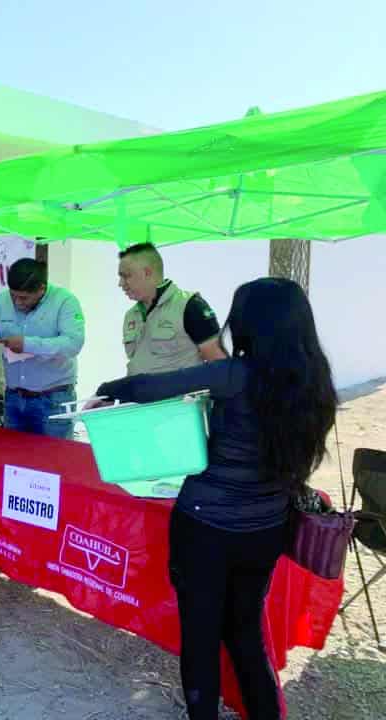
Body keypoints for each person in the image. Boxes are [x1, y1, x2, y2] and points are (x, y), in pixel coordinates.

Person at [95, 278, 337, 720]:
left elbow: (151, 387)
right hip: (266, 528)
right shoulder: (316, 382)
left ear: (249, 324)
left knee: (201, 634)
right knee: (245, 632)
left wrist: (108, 387)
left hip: (206, 526)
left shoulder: (234, 375)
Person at [0, 258, 84, 438]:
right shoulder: (2, 300)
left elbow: (73, 343)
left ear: (41, 289)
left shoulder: (65, 301)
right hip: (14, 398)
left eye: (24, 298)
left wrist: (28, 344)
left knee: (54, 455)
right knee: (13, 454)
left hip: (53, 399)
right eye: (13, 295)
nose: (17, 302)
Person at [118, 243, 226, 375]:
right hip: (135, 388)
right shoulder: (131, 315)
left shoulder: (190, 305)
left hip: (180, 389)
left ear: (147, 273)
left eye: (126, 276)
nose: (120, 283)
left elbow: (220, 366)